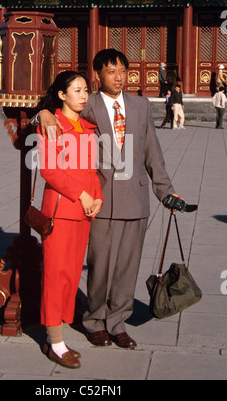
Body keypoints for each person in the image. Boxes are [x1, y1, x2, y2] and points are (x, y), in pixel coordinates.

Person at [37, 49, 180, 350]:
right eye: (111, 71)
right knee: (100, 265)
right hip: (99, 200)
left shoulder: (140, 105)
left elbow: (153, 151)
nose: (119, 77)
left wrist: (165, 192)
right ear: (98, 76)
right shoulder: (87, 103)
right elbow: (56, 104)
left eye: (123, 71)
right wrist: (44, 113)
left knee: (128, 266)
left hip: (135, 197)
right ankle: (94, 321)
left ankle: (118, 322)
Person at [36, 71, 103, 369]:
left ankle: (59, 333)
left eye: (86, 90)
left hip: (83, 212)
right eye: (77, 90)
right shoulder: (51, 124)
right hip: (62, 210)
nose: (83, 95)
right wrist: (82, 195)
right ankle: (55, 341)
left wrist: (97, 195)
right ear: (62, 95)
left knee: (73, 273)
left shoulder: (87, 126)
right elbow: (50, 171)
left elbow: (92, 169)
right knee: (55, 274)